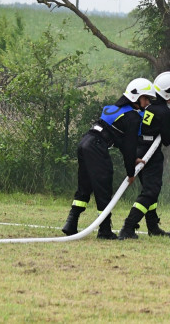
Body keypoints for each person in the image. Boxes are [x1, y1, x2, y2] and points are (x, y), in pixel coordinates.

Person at [60, 78, 155, 240]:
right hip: (97, 147)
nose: (147, 103)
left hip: (85, 143)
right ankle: (104, 230)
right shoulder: (132, 117)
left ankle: (71, 224)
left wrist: (132, 159)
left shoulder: (114, 109)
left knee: (85, 185)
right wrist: (131, 172)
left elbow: (117, 139)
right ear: (135, 97)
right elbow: (129, 146)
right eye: (146, 98)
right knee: (103, 187)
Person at [117, 70, 170, 240]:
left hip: (140, 150)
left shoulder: (149, 107)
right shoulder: (165, 112)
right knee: (151, 191)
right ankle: (128, 227)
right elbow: (167, 140)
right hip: (151, 155)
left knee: (149, 190)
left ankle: (152, 226)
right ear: (167, 93)